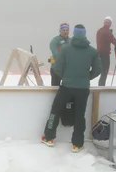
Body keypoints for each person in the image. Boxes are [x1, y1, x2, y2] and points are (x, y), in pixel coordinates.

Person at [41, 24, 102, 152]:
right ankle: (77, 144)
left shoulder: (66, 49)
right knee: (80, 115)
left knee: (55, 111)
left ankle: (49, 137)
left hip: (66, 86)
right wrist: (86, 78)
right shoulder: (92, 51)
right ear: (85, 34)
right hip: (83, 89)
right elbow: (98, 70)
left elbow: (57, 67)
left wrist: (67, 77)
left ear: (73, 33)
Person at [96, 16, 116, 86]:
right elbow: (115, 42)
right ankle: (101, 87)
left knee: (102, 72)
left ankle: (100, 86)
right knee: (104, 72)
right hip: (104, 55)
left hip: (98, 53)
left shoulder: (99, 30)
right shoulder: (107, 32)